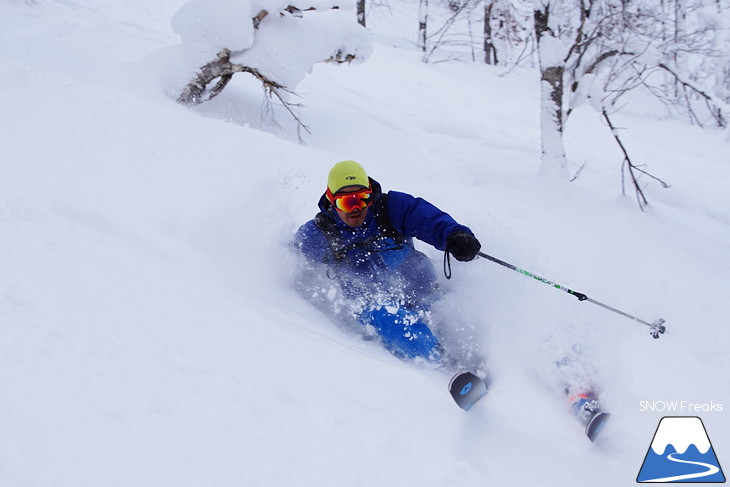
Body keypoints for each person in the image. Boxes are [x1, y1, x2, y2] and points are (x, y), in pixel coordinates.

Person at [293, 160, 481, 363]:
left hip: (424, 293)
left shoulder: (390, 208)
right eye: (347, 202)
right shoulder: (321, 233)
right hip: (374, 307)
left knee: (460, 307)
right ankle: (446, 367)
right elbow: (288, 259)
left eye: (362, 199)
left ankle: (489, 361)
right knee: (388, 316)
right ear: (332, 201)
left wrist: (456, 236)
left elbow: (428, 219)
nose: (356, 208)